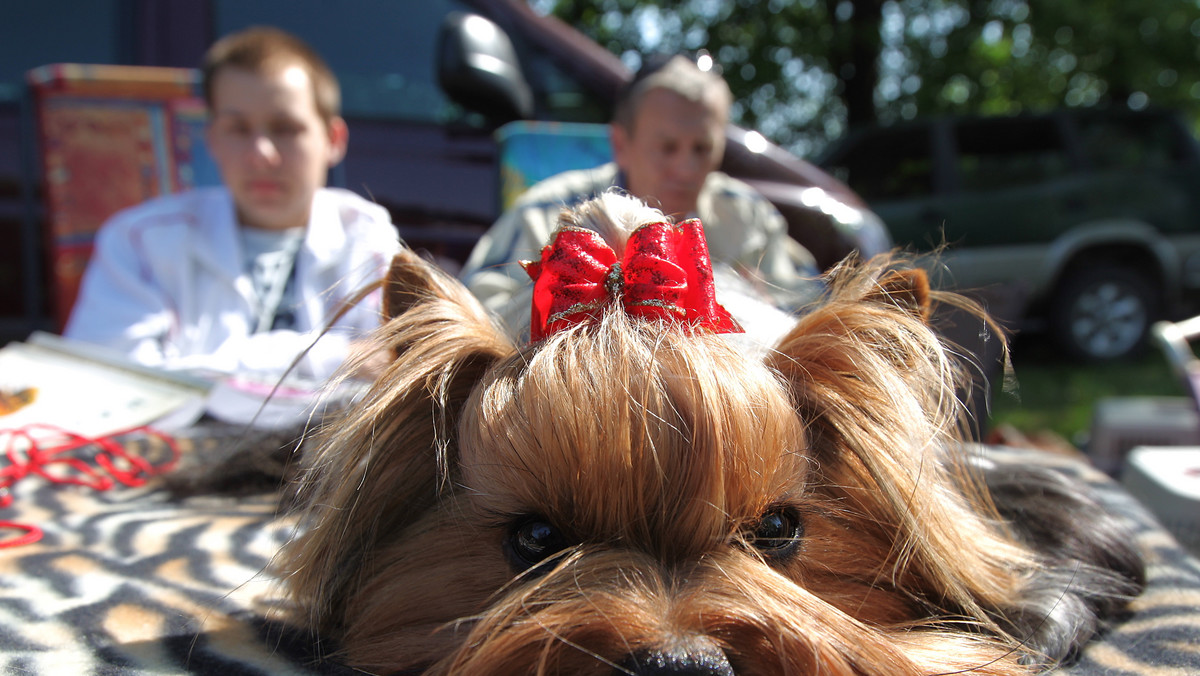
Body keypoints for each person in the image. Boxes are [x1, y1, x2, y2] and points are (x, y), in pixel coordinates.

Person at [65, 27, 401, 382]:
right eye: (238, 129)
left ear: (332, 140)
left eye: (285, 128)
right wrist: (334, 358)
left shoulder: (364, 234)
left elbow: (394, 368)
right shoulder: (140, 241)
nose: (261, 155)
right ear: (212, 140)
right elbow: (108, 380)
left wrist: (203, 367)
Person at [458, 53, 820, 333]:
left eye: (702, 148)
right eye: (667, 147)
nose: (686, 168)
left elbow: (808, 311)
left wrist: (756, 303)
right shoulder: (543, 213)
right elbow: (474, 315)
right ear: (621, 144)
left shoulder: (747, 216)